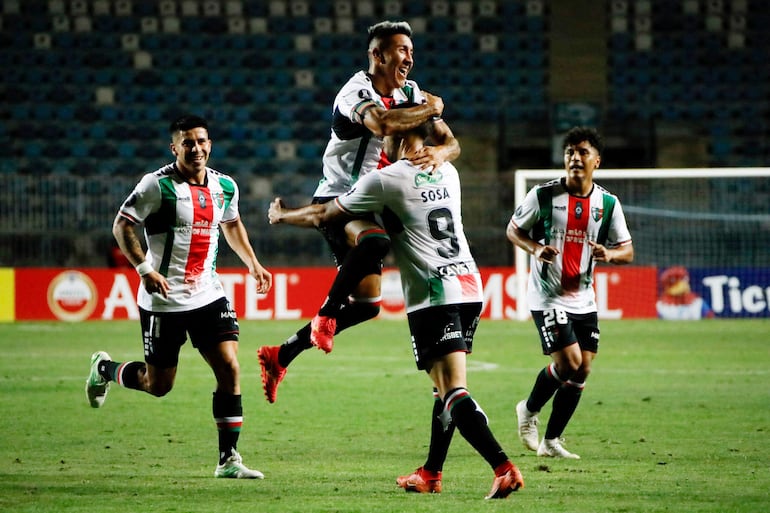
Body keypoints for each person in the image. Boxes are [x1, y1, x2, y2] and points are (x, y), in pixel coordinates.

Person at [266, 112, 524, 499]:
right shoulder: (447, 171)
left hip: (432, 293)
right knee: (445, 391)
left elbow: (324, 214)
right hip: (470, 287)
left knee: (453, 391)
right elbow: (446, 142)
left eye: (383, 135)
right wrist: (444, 143)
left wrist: (282, 214)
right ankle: (431, 473)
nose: (378, 143)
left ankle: (502, 467)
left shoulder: (385, 179)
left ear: (398, 137)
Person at [257, 20, 460, 403]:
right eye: (401, 50)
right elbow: (382, 124)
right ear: (377, 55)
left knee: (367, 306)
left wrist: (440, 151)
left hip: (372, 198)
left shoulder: (413, 92)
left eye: (411, 52)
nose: (409, 58)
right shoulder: (354, 92)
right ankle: (326, 314)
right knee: (374, 241)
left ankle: (279, 354)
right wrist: (428, 109)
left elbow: (451, 143)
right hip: (336, 199)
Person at [85, 114, 273, 479]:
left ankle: (228, 460)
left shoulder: (225, 187)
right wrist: (144, 270)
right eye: (188, 143)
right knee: (159, 386)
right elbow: (122, 224)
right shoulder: (156, 186)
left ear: (210, 144)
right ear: (175, 148)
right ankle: (104, 370)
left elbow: (231, 223)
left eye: (202, 141)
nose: (197, 148)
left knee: (230, 367)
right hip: (164, 298)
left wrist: (252, 262)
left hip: (207, 293)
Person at [506, 126, 634, 459]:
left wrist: (610, 254)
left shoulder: (608, 203)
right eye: (570, 153)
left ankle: (551, 441)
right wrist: (535, 249)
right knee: (569, 362)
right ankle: (529, 410)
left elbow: (627, 251)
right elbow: (514, 230)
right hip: (547, 295)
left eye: (582, 153)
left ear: (597, 161)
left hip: (584, 298)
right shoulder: (542, 196)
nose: (575, 158)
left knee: (583, 369)